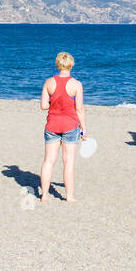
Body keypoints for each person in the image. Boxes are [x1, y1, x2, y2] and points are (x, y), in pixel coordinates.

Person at [39, 51, 87, 202]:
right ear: (71, 65)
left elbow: (43, 106)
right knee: (68, 161)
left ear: (57, 65)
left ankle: (45, 195)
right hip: (70, 126)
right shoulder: (76, 84)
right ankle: (69, 196)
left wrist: (55, 102)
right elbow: (79, 109)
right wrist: (84, 128)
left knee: (48, 160)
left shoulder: (48, 83)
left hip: (52, 125)